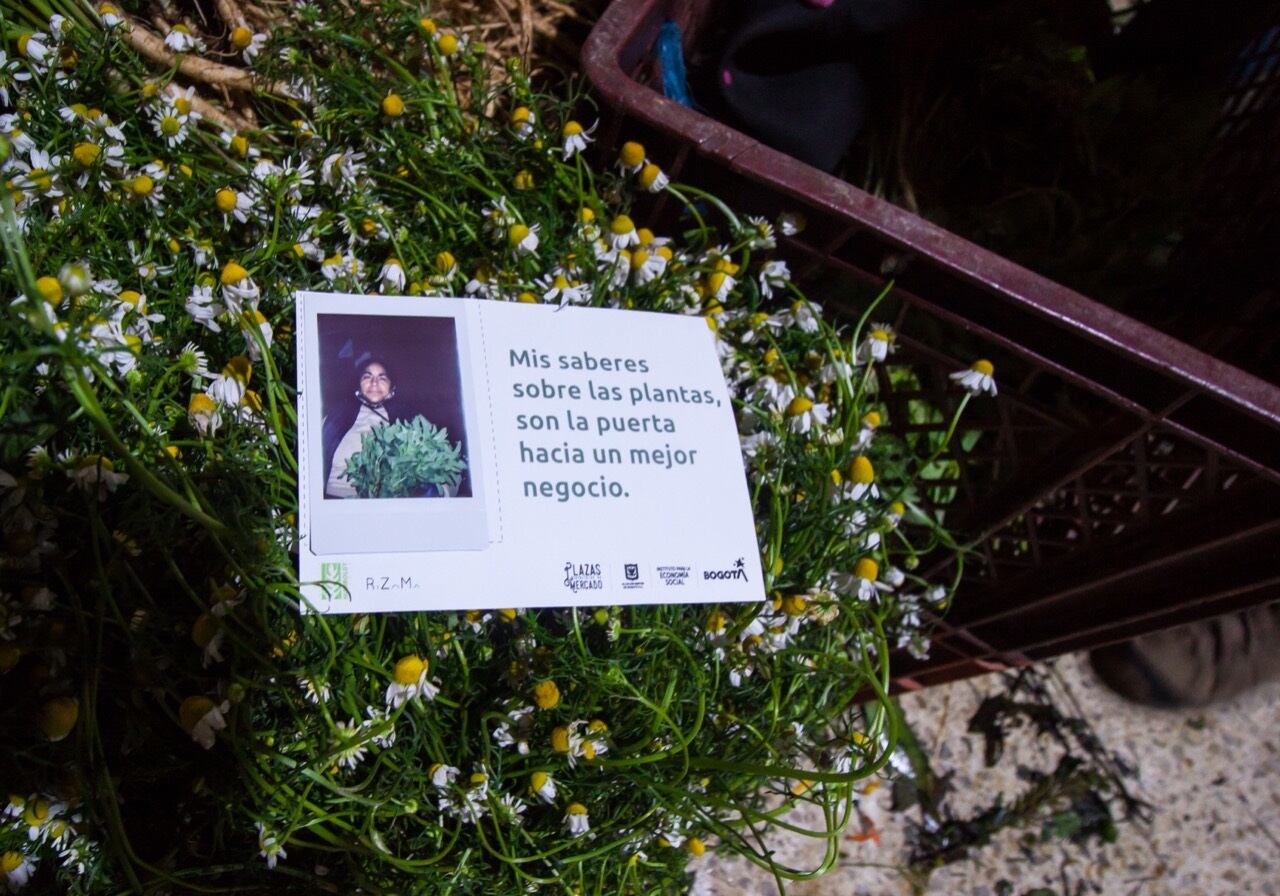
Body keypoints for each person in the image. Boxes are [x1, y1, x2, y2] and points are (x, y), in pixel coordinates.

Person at [322, 359, 405, 498]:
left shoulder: (407, 418)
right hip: (332, 501)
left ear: (392, 388)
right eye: (367, 376)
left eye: (382, 378)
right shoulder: (336, 415)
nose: (374, 382)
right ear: (358, 386)